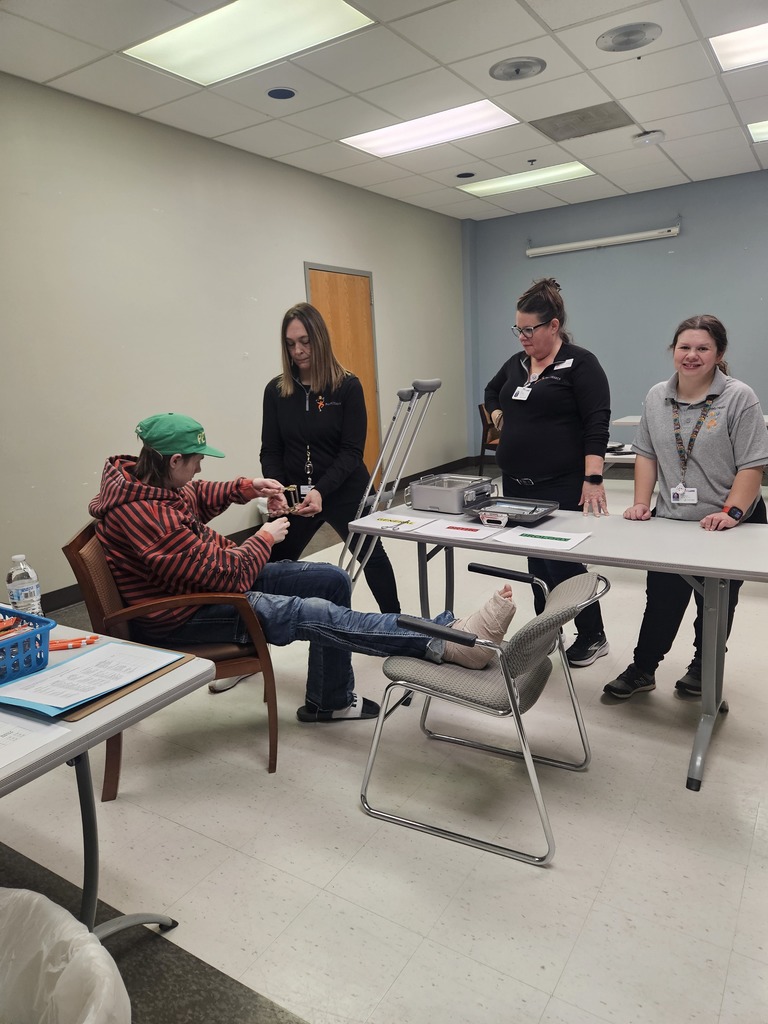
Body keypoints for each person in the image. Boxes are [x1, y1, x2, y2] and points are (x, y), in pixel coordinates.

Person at [89, 412, 517, 721]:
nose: (201, 466)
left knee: (329, 579)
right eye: (196, 459)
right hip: (186, 616)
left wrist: (247, 487)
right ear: (173, 461)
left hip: (204, 589)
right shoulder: (143, 513)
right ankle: (447, 639)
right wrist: (263, 539)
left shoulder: (152, 485)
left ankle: (328, 700)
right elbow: (225, 574)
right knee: (313, 613)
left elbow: (197, 496)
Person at [604, 314, 768, 700]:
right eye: (684, 347)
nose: (691, 355)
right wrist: (642, 503)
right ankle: (643, 669)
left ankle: (703, 670)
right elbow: (645, 454)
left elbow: (753, 465)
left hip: (730, 521)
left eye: (702, 348)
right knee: (661, 598)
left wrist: (730, 513)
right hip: (674, 521)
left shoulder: (738, 397)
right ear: (673, 351)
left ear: (719, 353)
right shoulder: (656, 396)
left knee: (714, 603)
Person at [484, 278, 611, 668]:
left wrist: (593, 479)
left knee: (563, 564)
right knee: (535, 562)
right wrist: (498, 414)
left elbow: (596, 422)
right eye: (517, 329)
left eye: (529, 329)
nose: (522, 337)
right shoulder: (516, 363)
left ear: (553, 326)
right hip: (515, 484)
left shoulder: (580, 363)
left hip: (560, 483)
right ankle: (546, 630)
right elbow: (491, 391)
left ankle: (593, 634)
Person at [260, 302, 400, 613]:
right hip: (295, 495)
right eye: (291, 344)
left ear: (320, 339)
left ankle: (396, 625)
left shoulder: (347, 386)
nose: (298, 351)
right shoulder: (276, 391)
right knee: (272, 560)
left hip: (344, 488)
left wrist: (322, 490)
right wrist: (278, 490)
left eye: (305, 341)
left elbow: (351, 451)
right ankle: (261, 629)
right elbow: (271, 449)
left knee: (372, 558)